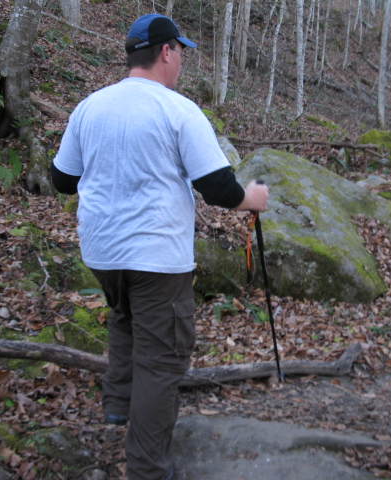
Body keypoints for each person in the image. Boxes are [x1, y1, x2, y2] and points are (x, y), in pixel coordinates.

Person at [50, 13, 268, 480]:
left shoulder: (91, 106)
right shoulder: (176, 109)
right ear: (166, 52)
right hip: (156, 256)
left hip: (102, 250)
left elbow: (61, 179)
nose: (182, 62)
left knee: (126, 315)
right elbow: (218, 188)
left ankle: (117, 405)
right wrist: (254, 199)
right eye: (181, 52)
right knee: (162, 352)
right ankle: (148, 466)